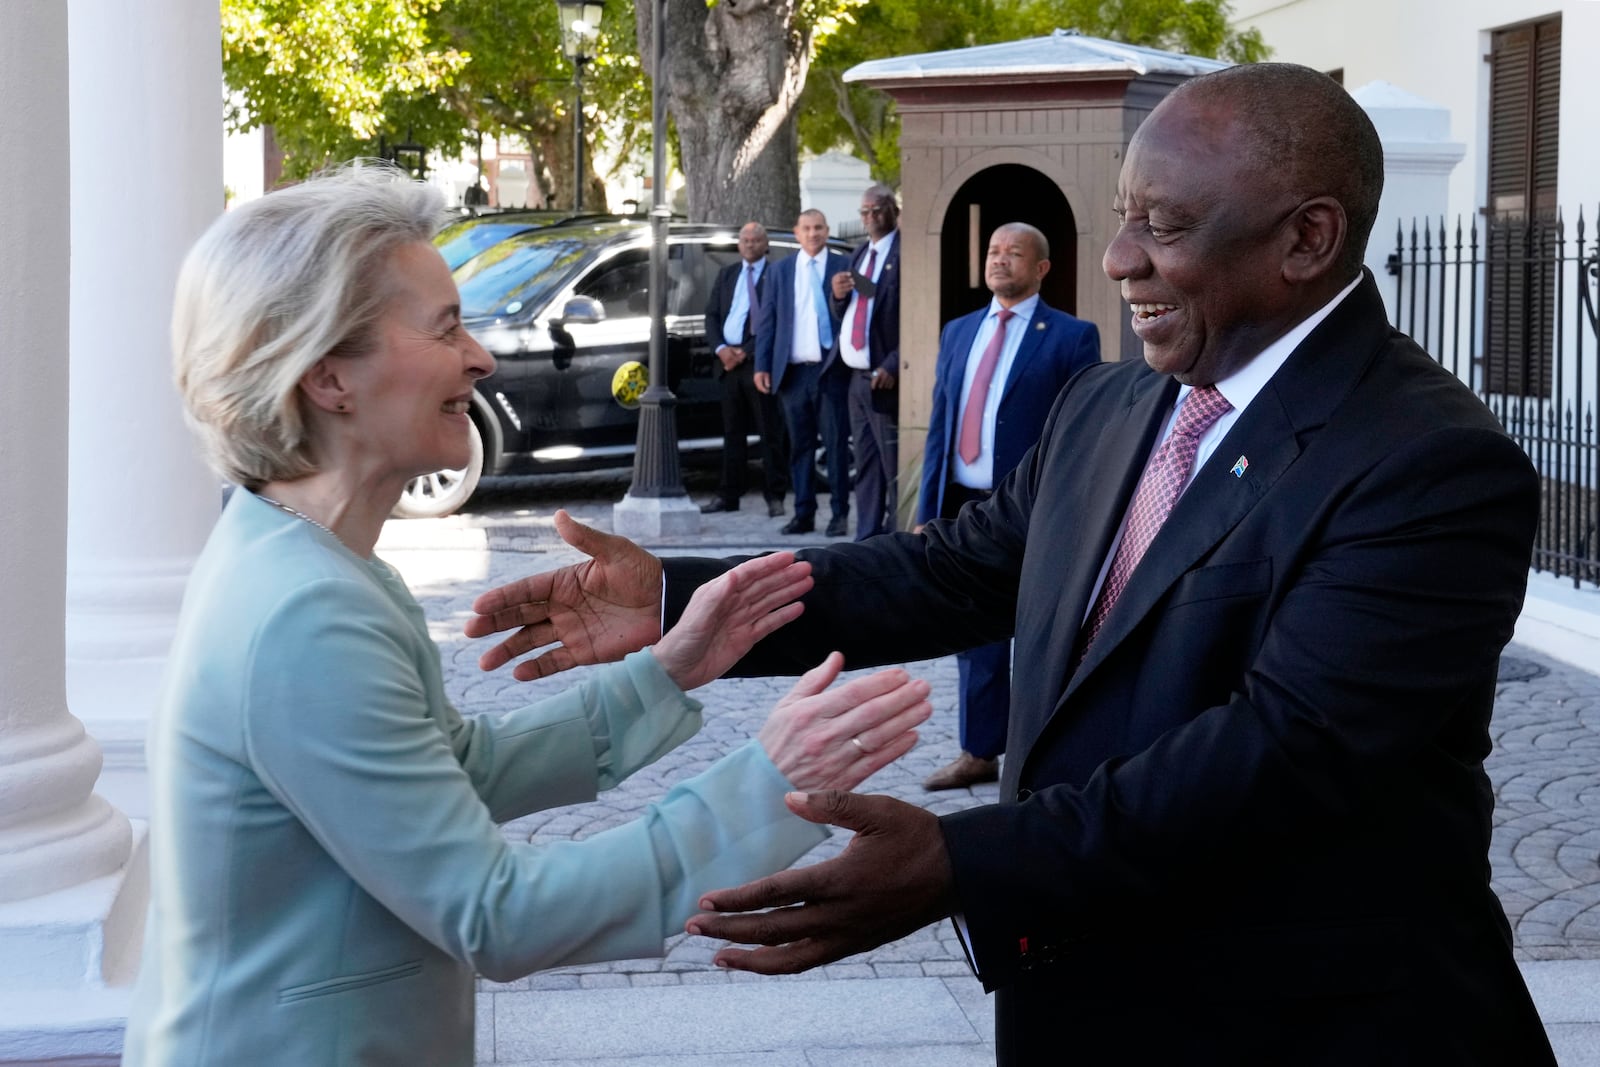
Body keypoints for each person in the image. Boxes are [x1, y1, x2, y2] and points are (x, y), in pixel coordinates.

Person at [465, 63, 1556, 1065]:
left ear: (1306, 239)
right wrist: (680, 597)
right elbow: (952, 570)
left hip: (1308, 1025)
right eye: (1122, 216)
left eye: (1162, 225)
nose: (1119, 257)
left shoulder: (1431, 464)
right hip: (1085, 997)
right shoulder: (1113, 403)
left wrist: (961, 861)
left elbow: (1283, 756)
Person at [121, 164, 934, 1067]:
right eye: (447, 328)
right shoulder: (305, 608)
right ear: (327, 376)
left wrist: (667, 671)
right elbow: (497, 914)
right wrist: (765, 778)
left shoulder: (302, 558)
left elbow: (449, 772)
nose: (480, 357)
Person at [915, 223, 1100, 791]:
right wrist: (928, 507)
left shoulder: (1071, 336)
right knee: (975, 629)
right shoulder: (959, 331)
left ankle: (1047, 752)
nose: (1000, 261)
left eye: (1013, 253)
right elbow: (941, 425)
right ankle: (979, 751)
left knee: (1046, 626)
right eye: (994, 252)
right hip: (966, 504)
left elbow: (1084, 431)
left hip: (1035, 506)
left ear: (1041, 268)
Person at [754, 209, 852, 538]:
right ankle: (803, 513)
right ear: (796, 232)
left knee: (837, 445)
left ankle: (840, 514)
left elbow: (857, 314)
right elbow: (767, 322)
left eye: (819, 228)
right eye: (807, 228)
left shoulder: (843, 267)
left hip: (830, 370)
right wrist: (762, 365)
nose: (813, 233)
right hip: (793, 374)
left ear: (827, 231)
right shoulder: (781, 271)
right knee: (800, 447)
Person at [700, 221, 789, 518]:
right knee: (731, 433)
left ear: (765, 245)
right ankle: (729, 495)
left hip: (758, 366)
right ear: (738, 244)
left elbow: (773, 321)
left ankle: (775, 497)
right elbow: (711, 316)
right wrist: (722, 350)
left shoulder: (775, 275)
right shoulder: (727, 274)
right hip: (727, 366)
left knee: (769, 433)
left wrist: (746, 352)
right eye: (745, 240)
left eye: (756, 240)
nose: (750, 244)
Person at [830, 184, 902, 540]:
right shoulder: (859, 253)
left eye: (877, 210)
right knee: (866, 463)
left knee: (893, 466)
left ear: (893, 211)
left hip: (884, 376)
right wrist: (837, 296)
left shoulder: (904, 254)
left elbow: (917, 314)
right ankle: (867, 539)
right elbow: (855, 310)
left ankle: (895, 535)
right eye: (864, 212)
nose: (870, 217)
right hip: (854, 377)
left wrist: (894, 362)